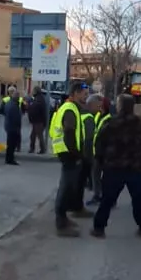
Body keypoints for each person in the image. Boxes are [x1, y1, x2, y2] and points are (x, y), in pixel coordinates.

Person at [90, 98, 141, 240]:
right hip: (136, 168)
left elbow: (100, 144)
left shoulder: (111, 124)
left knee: (107, 200)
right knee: (140, 201)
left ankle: (99, 228)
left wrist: (100, 163)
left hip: (114, 168)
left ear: (119, 107)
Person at [50, 83, 90, 233]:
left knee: (68, 185)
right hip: (68, 153)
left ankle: (64, 218)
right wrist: (77, 154)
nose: (86, 97)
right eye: (84, 94)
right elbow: (69, 133)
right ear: (76, 93)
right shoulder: (70, 109)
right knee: (66, 187)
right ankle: (61, 223)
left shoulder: (70, 107)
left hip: (66, 152)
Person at [2, 90, 23, 165]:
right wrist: (18, 127)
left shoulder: (9, 103)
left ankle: (8, 159)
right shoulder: (13, 105)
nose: (19, 97)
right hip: (13, 127)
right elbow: (15, 118)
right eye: (18, 96)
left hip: (9, 126)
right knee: (12, 145)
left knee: (10, 144)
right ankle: (10, 159)